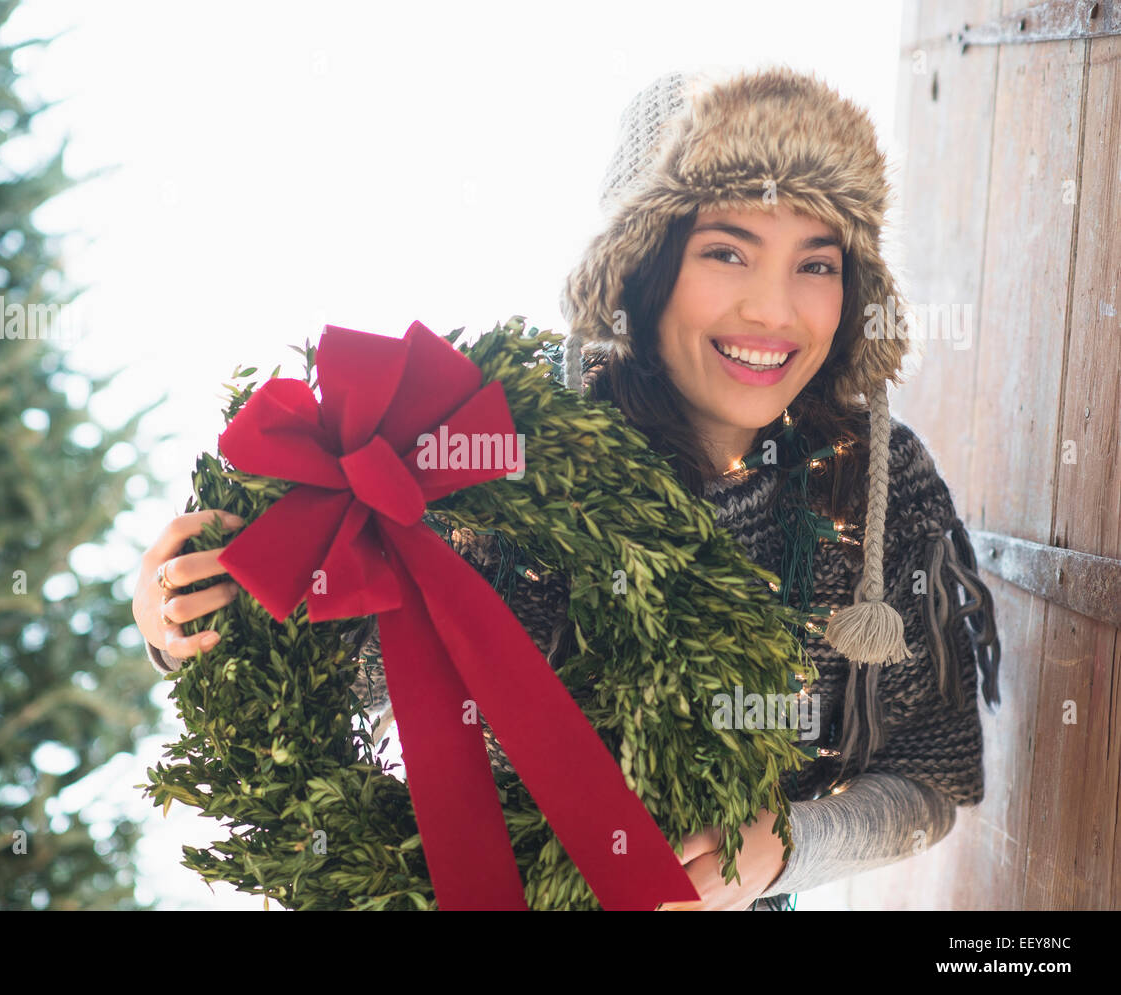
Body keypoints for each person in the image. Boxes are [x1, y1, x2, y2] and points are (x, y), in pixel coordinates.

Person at [132, 65, 1002, 911]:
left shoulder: (872, 483)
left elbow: (928, 779)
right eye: (727, 252)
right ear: (642, 266)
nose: (775, 311)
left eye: (817, 263)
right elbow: (346, 647)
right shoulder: (498, 455)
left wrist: (789, 847)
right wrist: (193, 614)